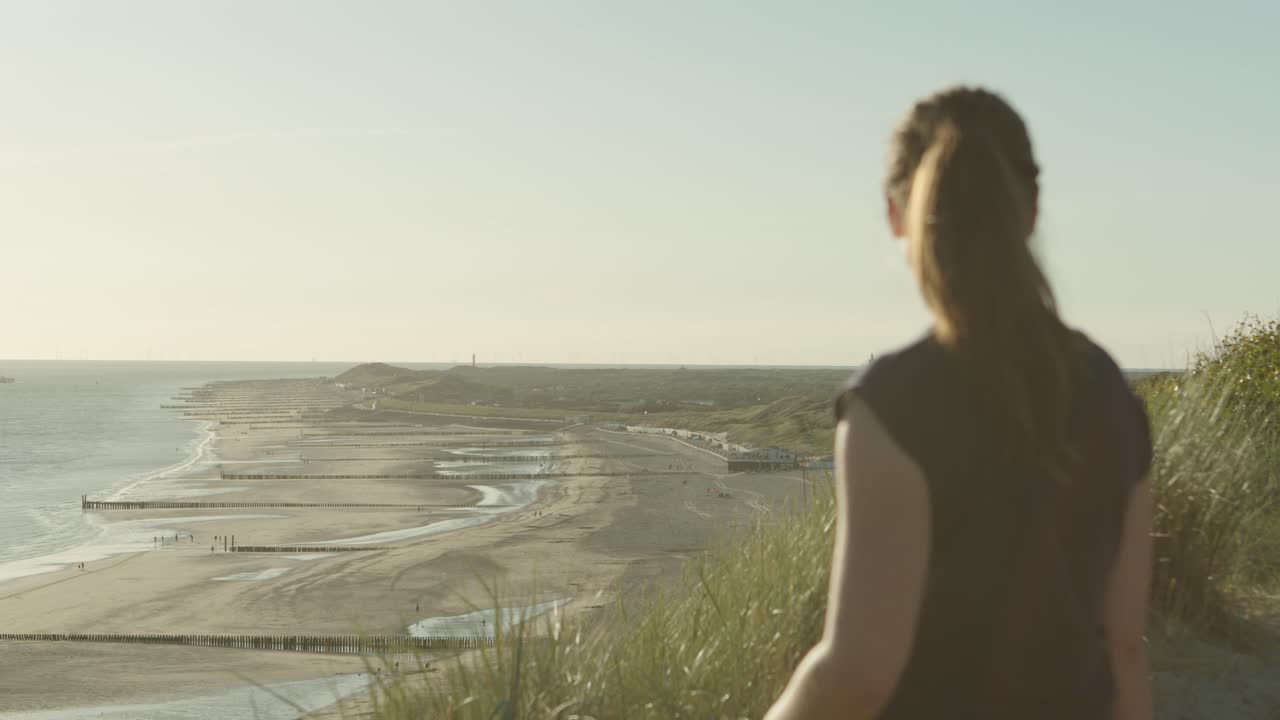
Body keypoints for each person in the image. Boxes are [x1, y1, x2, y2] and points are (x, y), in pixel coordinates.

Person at [764, 87, 1153, 720]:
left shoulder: (893, 405)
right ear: (1031, 210)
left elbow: (857, 675)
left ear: (896, 214)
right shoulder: (1109, 390)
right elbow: (1125, 652)